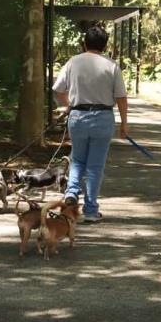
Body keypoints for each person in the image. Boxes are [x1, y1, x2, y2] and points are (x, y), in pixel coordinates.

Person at [53, 26, 129, 222]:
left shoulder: (73, 62)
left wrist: (70, 105)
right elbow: (121, 97)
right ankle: (90, 210)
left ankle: (71, 192)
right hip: (103, 118)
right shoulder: (111, 66)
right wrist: (124, 124)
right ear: (105, 45)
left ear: (85, 43)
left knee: (78, 159)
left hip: (78, 116)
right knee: (95, 166)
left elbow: (58, 90)